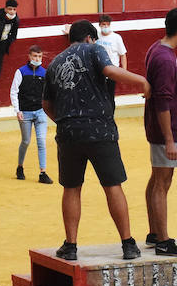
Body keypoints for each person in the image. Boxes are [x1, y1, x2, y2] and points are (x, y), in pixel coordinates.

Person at [43, 20, 151, 262]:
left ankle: (70, 246)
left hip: (68, 132)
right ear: (91, 37)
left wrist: (63, 121)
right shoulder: (95, 50)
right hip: (99, 129)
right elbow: (111, 71)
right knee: (112, 185)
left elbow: (46, 104)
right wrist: (142, 81)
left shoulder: (55, 62)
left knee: (71, 188)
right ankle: (128, 243)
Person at [142, 8, 177, 257]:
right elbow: (163, 102)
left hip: (159, 127)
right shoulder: (165, 59)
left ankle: (155, 233)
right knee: (163, 183)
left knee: (156, 180)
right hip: (166, 129)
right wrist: (169, 140)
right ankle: (163, 240)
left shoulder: (157, 49)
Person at [10, 45, 53, 184]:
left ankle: (43, 172)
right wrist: (17, 110)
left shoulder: (45, 73)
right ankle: (20, 167)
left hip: (40, 112)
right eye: (35, 56)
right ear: (29, 56)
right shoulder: (20, 72)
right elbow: (14, 91)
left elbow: (49, 93)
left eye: (39, 56)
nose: (37, 59)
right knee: (26, 141)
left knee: (41, 142)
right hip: (25, 112)